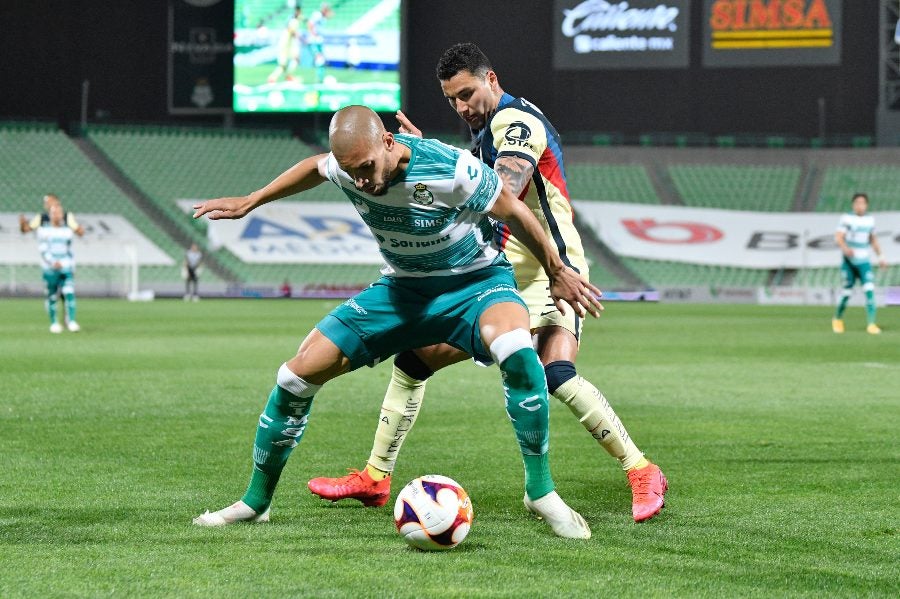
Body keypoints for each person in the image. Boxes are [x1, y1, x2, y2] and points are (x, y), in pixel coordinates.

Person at [191, 105, 603, 539]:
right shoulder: (349, 165)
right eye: (354, 173)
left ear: (389, 142)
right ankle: (256, 503)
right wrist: (252, 201)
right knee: (293, 377)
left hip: (475, 284)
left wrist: (557, 271)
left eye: (368, 167)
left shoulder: (451, 167)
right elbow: (314, 167)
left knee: (517, 350)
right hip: (401, 291)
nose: (364, 181)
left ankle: (541, 492)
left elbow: (516, 213)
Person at [308, 43, 668, 523]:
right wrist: (434, 156)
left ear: (492, 80)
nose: (461, 107)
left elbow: (502, 189)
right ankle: (376, 477)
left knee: (554, 371)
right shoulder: (484, 131)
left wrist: (428, 164)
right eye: (451, 99)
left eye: (467, 94)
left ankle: (642, 470)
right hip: (498, 267)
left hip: (549, 266)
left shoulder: (515, 125)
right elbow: (474, 175)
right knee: (415, 360)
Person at [832, 193, 888, 334]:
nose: (860, 205)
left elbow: (873, 240)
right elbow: (838, 237)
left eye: (862, 203)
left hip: (864, 261)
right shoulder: (846, 218)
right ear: (853, 204)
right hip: (849, 262)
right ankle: (837, 319)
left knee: (869, 291)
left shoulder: (870, 220)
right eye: (857, 202)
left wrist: (881, 256)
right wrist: (845, 248)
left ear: (866, 205)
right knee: (847, 292)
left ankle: (871, 324)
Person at [35, 203, 80, 333]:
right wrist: (52, 262)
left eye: (59, 213)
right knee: (52, 296)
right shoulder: (43, 231)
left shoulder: (67, 231)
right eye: (54, 213)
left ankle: (71, 321)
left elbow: (69, 250)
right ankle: (54, 322)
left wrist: (71, 265)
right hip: (50, 269)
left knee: (69, 293)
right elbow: (43, 250)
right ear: (50, 215)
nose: (57, 215)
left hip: (65, 267)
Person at [19, 193, 85, 237]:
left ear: (57, 202)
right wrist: (22, 224)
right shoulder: (42, 217)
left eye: (50, 201)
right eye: (46, 202)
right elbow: (25, 229)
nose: (47, 204)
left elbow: (80, 232)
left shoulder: (67, 217)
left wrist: (59, 221)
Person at [267, 7, 303, 84]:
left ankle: (275, 77)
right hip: (286, 45)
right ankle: (286, 76)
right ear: (298, 12)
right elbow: (291, 30)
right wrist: (299, 37)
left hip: (285, 44)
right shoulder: (294, 21)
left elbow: (290, 30)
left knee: (285, 64)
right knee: (293, 60)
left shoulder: (292, 20)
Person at [306, 3, 333, 83]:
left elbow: (327, 17)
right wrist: (312, 33)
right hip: (314, 41)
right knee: (319, 59)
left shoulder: (323, 17)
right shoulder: (317, 15)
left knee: (321, 60)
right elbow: (310, 23)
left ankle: (320, 78)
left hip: (319, 41)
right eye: (326, 9)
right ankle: (319, 80)